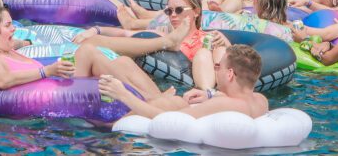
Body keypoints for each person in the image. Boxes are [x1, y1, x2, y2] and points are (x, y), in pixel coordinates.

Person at [0, 4, 176, 104]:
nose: (14, 29)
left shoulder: (6, 49)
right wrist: (46, 71)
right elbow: (3, 81)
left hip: (55, 85)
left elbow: (21, 42)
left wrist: (25, 41)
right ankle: (148, 101)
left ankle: (156, 97)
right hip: (50, 97)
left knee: (122, 62)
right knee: (87, 51)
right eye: (8, 25)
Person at [77, 0, 231, 91]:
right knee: (118, 57)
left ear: (196, 12)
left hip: (190, 90)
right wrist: (95, 29)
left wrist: (227, 44)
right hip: (160, 84)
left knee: (203, 53)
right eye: (169, 11)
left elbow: (229, 69)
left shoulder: (210, 38)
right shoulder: (163, 32)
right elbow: (125, 35)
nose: (173, 15)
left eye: (179, 10)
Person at [98, 43, 268, 119]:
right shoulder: (261, 101)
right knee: (175, 101)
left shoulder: (226, 106)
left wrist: (123, 94)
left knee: (164, 104)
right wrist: (209, 94)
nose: (216, 69)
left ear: (230, 74)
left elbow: (167, 120)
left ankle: (108, 128)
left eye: (218, 67)